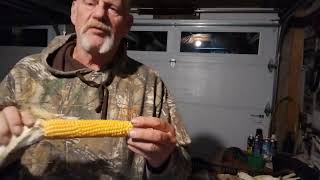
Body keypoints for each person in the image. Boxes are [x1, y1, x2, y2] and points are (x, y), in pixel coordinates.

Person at [0, 0, 191, 179]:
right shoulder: (24, 73)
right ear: (74, 12)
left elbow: (183, 172)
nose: (99, 13)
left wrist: (163, 161)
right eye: (90, 2)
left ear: (127, 24)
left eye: (113, 7)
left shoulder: (151, 83)